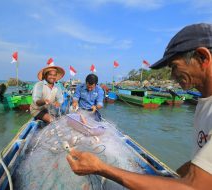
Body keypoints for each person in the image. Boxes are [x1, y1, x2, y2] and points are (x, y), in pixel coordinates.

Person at [67, 23, 212, 189]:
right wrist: (162, 177)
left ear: (202, 58)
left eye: (174, 66)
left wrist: (101, 167)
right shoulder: (204, 103)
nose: (172, 77)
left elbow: (194, 186)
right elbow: (201, 162)